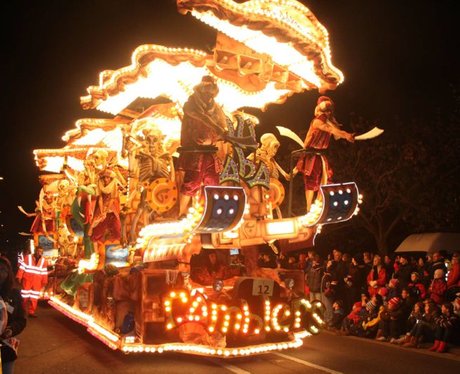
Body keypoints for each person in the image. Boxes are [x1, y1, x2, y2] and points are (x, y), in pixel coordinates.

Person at [177, 75, 228, 218]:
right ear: (201, 89)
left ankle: (212, 212)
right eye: (206, 90)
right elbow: (200, 117)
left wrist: (222, 134)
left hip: (211, 153)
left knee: (213, 182)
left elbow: (223, 126)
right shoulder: (191, 103)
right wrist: (217, 128)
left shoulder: (216, 107)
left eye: (211, 91)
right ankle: (181, 212)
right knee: (192, 182)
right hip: (195, 152)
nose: (208, 94)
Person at [293, 96, 354, 212]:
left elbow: (335, 134)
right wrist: (345, 134)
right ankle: (309, 208)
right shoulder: (317, 122)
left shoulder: (328, 122)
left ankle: (319, 206)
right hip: (312, 154)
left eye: (330, 111)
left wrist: (345, 135)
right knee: (312, 180)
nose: (329, 113)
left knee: (324, 180)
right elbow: (331, 130)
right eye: (327, 111)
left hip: (320, 155)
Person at [1, 256, 27, 374]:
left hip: (6, 348)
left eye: (3, 270)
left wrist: (11, 330)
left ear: (8, 273)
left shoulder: (14, 294)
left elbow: (21, 320)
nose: (0, 273)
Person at [16, 246, 48, 317]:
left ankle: (31, 312)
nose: (39, 253)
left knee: (34, 297)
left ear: (42, 253)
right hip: (27, 280)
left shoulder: (44, 261)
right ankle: (22, 311)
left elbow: (44, 272)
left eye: (40, 252)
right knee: (24, 296)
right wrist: (19, 277)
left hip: (37, 281)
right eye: (38, 251)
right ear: (35, 250)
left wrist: (44, 282)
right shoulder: (28, 257)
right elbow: (22, 267)